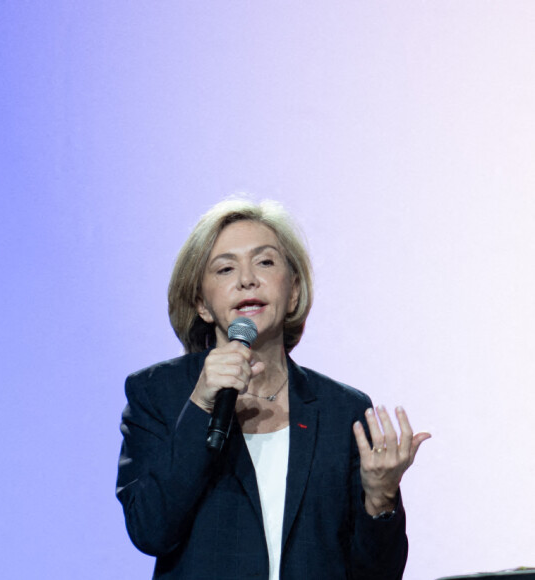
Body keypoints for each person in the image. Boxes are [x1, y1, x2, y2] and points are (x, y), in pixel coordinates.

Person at [116, 198, 431, 579]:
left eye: (265, 262)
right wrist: (200, 404)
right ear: (201, 303)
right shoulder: (158, 393)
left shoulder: (341, 410)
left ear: (294, 291)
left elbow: (377, 574)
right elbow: (150, 531)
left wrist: (380, 496)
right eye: (225, 268)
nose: (247, 279)